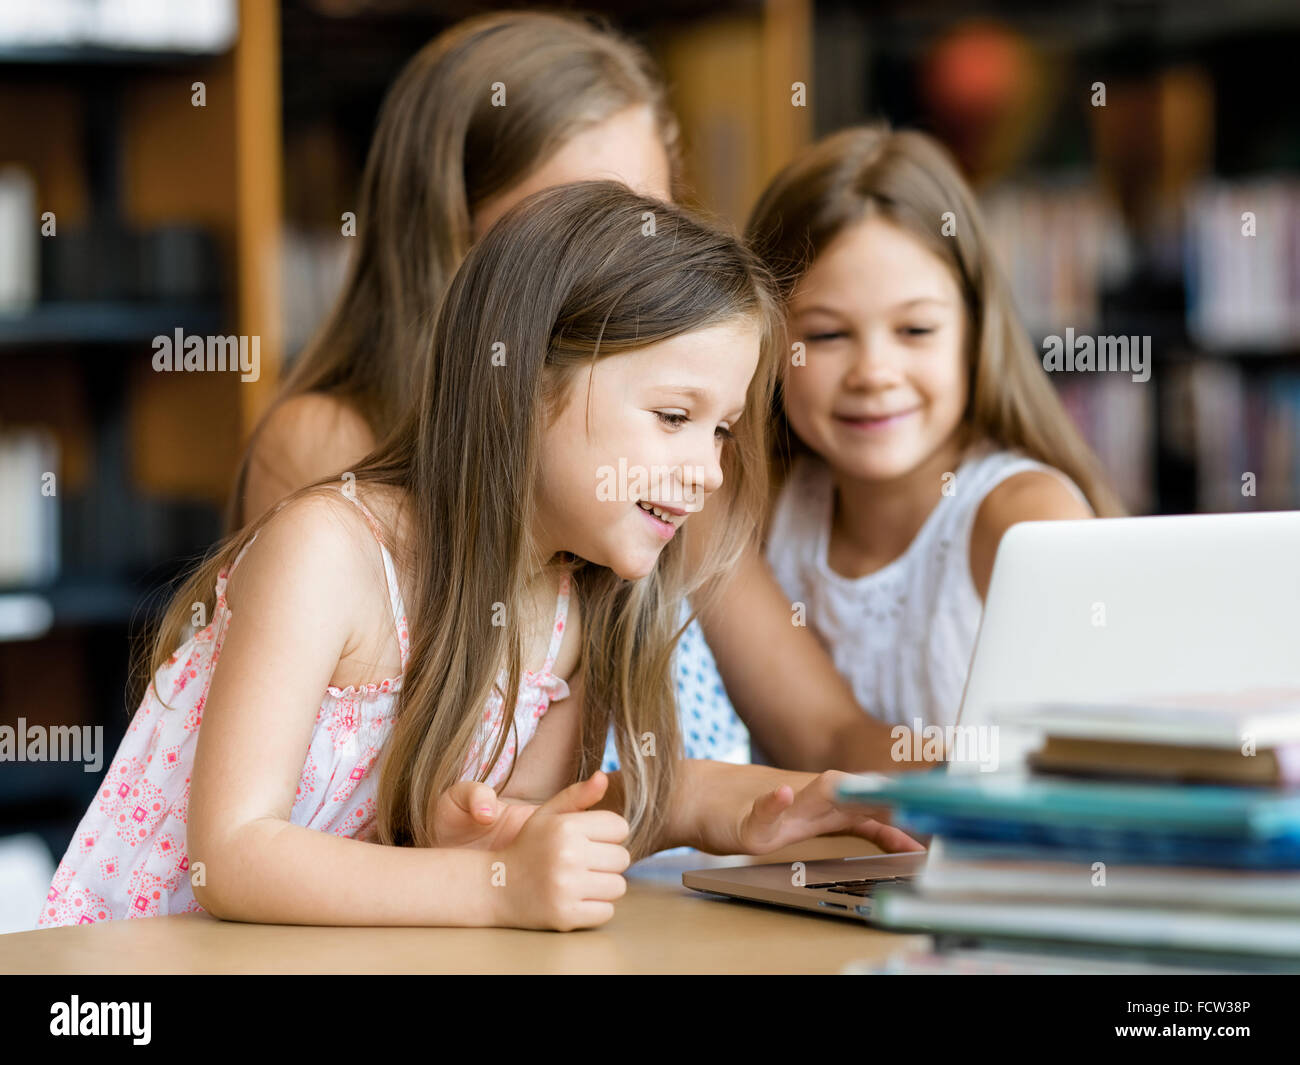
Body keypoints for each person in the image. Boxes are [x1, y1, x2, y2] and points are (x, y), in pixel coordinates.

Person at [36, 182, 921, 932]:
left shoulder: (575, 604)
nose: (707, 471)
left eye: (722, 428)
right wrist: (494, 887)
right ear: (522, 383)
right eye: (673, 417)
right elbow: (229, 858)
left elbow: (515, 837)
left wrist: (704, 804)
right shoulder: (330, 553)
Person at [231, 10, 902, 773]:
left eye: (647, 218)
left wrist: (995, 777)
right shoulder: (333, 451)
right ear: (454, 235)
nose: (625, 260)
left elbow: (821, 732)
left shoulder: (671, 453)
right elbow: (414, 806)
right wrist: (687, 809)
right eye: (573, 218)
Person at [746, 124, 1125, 732]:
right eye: (826, 335)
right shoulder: (767, 510)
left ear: (975, 333)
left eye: (916, 330)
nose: (874, 373)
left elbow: (1100, 759)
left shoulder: (1023, 521)